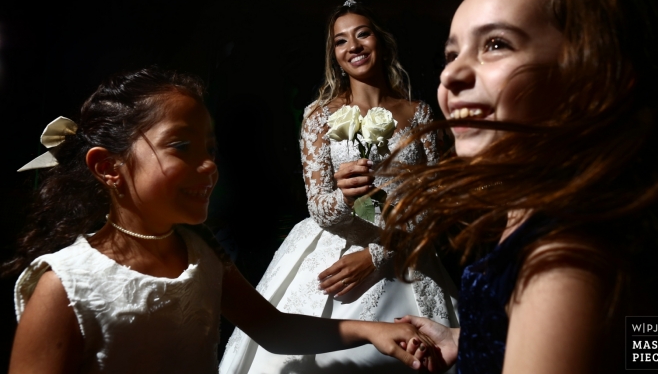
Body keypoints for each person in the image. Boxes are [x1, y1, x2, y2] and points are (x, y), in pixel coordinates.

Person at [381, 0, 658, 374]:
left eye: (495, 45)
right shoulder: (559, 223)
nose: (450, 76)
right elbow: (651, 344)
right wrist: (471, 338)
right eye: (452, 53)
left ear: (587, 79)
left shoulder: (563, 264)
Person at [5, 67, 435, 374]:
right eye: (182, 146)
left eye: (209, 148)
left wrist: (372, 331)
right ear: (108, 168)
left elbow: (276, 330)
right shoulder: (63, 286)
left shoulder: (200, 252)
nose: (209, 165)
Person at [220, 0, 459, 373]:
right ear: (335, 55)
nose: (354, 46)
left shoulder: (419, 114)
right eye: (341, 41)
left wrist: (377, 255)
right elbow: (319, 206)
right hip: (334, 247)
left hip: (407, 254)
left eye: (362, 34)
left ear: (381, 42)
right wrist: (348, 197)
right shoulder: (320, 116)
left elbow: (431, 207)